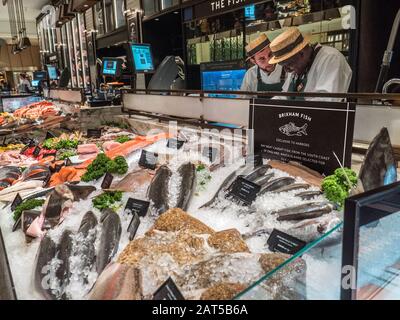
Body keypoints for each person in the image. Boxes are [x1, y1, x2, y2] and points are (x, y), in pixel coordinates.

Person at [268, 27, 352, 101]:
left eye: (289, 64)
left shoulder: (330, 58)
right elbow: (285, 95)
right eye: (284, 66)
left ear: (302, 53)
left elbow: (327, 101)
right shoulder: (297, 66)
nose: (287, 70)